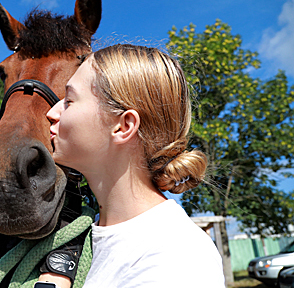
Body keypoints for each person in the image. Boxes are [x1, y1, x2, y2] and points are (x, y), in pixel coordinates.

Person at [37, 44, 225, 287]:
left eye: (70, 100)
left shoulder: (177, 259)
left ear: (123, 126)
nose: (52, 112)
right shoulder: (80, 237)